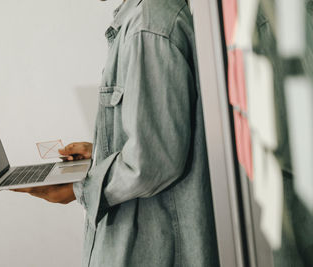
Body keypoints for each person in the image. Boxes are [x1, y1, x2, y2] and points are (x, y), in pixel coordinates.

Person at [12, 0, 219, 266]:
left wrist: (81, 189)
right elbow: (159, 134)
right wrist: (99, 153)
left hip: (153, 250)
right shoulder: (142, 20)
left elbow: (152, 162)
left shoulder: (147, 26)